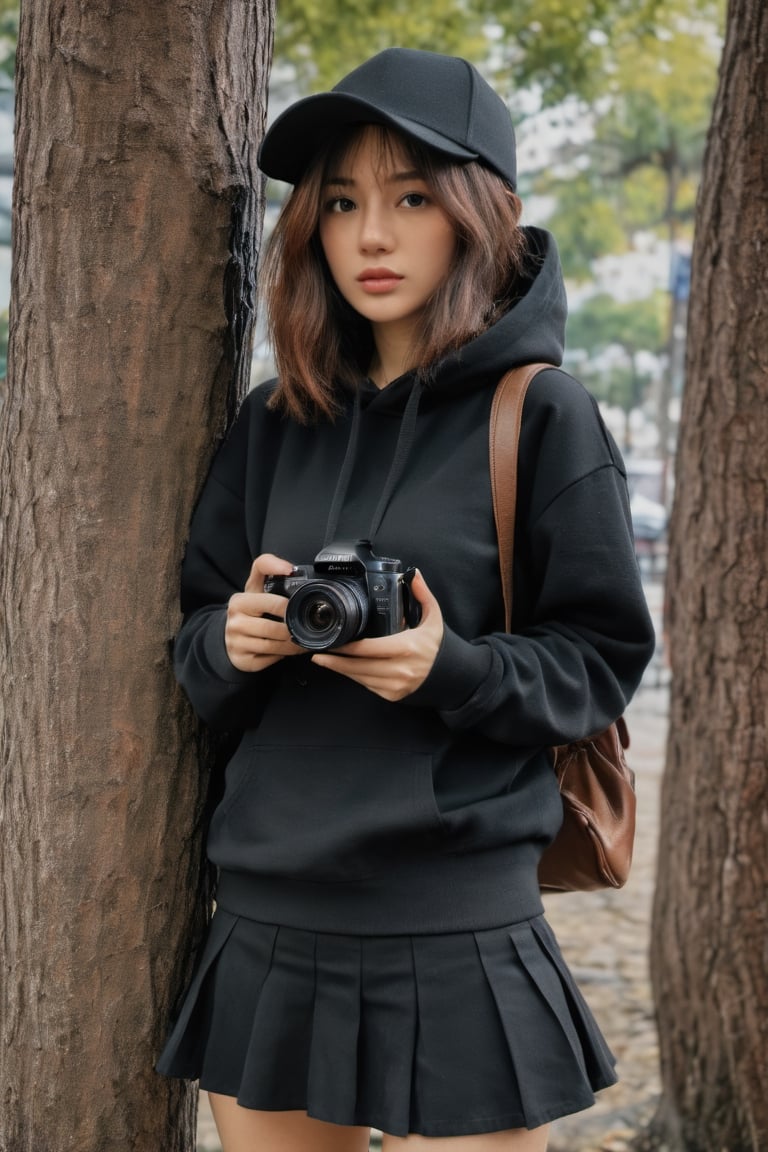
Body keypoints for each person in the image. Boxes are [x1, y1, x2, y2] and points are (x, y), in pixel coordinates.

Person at [157, 48, 655, 1152]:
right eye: (341, 203)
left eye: (412, 196)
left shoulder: (542, 415)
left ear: (484, 211)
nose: (371, 236)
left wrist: (454, 669)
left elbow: (600, 657)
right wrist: (231, 643)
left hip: (457, 918)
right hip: (271, 915)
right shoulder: (272, 423)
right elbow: (193, 649)